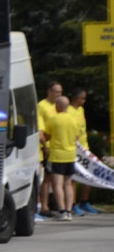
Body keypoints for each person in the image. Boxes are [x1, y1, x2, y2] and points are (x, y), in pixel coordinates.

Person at [42, 95, 78, 221]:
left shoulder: (53, 119)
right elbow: (76, 137)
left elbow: (46, 136)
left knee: (57, 184)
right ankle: (69, 210)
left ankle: (62, 210)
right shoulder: (73, 120)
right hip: (70, 154)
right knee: (68, 184)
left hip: (57, 154)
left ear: (58, 106)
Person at [68, 87, 99, 215]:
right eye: (83, 98)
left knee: (90, 175)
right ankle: (73, 204)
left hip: (85, 149)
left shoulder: (81, 110)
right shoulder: (68, 111)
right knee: (73, 178)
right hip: (73, 149)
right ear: (76, 98)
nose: (84, 101)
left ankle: (84, 201)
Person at [36, 81, 61, 219]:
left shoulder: (59, 106)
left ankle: (52, 205)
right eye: (56, 91)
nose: (59, 94)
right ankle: (43, 206)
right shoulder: (42, 106)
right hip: (46, 147)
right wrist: (44, 146)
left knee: (52, 179)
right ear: (49, 92)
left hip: (57, 147)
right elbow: (40, 128)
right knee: (45, 178)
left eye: (60, 92)